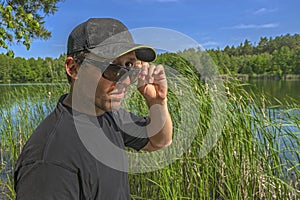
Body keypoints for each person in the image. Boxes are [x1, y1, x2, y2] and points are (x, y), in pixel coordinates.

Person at [14, 18, 172, 199]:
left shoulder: (112, 117)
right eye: (111, 68)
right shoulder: (50, 160)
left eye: (129, 66)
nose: (125, 80)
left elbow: (158, 141)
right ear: (73, 69)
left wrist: (157, 102)